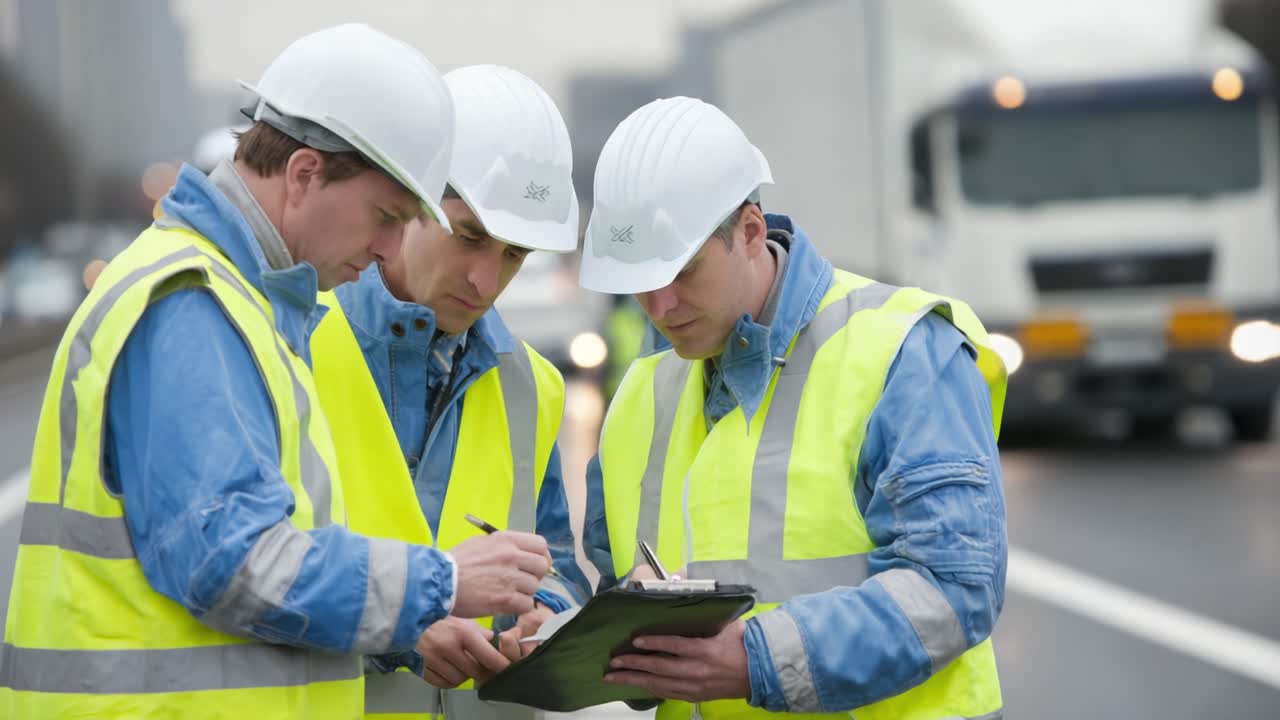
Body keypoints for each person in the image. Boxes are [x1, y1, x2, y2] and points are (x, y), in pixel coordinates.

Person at [0, 25, 552, 720]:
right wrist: (439, 582)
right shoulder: (193, 304)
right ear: (303, 175)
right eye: (385, 216)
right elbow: (231, 563)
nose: (388, 249)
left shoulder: (243, 306)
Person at [578, 96, 1009, 719]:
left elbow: (951, 589)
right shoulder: (641, 395)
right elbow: (617, 591)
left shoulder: (900, 350)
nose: (661, 306)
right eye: (640, 284)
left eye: (684, 271)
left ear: (751, 231)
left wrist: (753, 659)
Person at [310, 64, 591, 719]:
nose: (487, 279)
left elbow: (553, 570)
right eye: (470, 237)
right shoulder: (297, 340)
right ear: (409, 199)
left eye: (517, 255)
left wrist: (540, 624)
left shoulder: (531, 386)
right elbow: (254, 566)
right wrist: (402, 626)